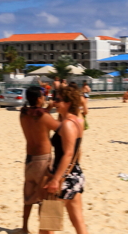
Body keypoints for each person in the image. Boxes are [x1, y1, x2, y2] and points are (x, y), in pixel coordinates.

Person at [41, 85, 87, 234]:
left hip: (64, 178)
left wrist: (55, 179)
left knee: (47, 226)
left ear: (68, 103)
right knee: (78, 222)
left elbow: (68, 153)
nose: (54, 102)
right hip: (75, 174)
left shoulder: (67, 124)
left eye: (58, 100)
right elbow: (76, 152)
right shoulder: (76, 121)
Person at [19, 86, 60, 234]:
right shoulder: (44, 116)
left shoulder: (23, 114)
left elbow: (37, 117)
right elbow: (59, 128)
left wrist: (47, 109)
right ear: (38, 98)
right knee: (47, 198)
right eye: (42, 96)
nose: (44, 98)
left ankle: (24, 227)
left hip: (29, 159)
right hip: (43, 160)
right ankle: (46, 231)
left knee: (28, 196)